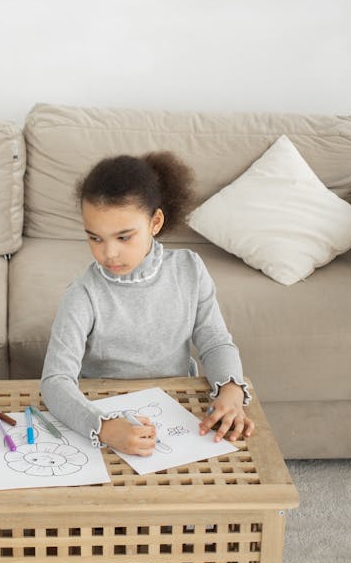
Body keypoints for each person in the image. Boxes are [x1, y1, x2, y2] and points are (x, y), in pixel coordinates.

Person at [40, 152, 254, 457]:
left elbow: (215, 341)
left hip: (176, 407)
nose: (109, 253)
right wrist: (102, 426)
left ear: (155, 222)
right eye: (95, 238)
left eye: (124, 237)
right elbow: (54, 381)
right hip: (104, 413)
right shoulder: (83, 294)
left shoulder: (190, 269)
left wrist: (231, 389)